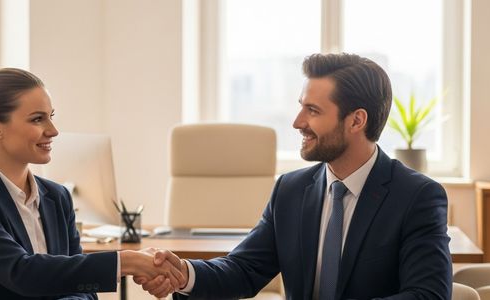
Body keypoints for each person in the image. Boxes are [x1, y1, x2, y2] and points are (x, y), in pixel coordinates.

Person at [138, 53, 452, 299]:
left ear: (356, 121)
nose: (297, 122)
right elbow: (245, 268)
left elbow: (428, 294)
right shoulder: (291, 189)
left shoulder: (417, 196)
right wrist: (184, 272)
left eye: (313, 111)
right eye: (301, 107)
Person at [0, 68, 185, 299]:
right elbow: (21, 273)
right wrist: (127, 261)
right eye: (37, 119)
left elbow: (83, 289)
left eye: (51, 117)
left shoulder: (57, 196)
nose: (53, 130)